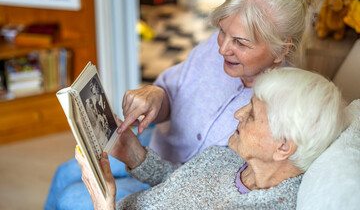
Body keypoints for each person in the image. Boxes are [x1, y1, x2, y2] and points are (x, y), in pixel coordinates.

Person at [44, 0, 324, 209]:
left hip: (175, 186)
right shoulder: (211, 52)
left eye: (240, 42)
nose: (222, 48)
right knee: (62, 174)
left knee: (72, 197)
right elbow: (171, 92)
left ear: (281, 50)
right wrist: (156, 96)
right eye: (222, 31)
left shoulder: (285, 105)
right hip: (154, 149)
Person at [76, 67, 348, 209]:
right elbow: (187, 182)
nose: (239, 113)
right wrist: (135, 154)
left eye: (252, 113)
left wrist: (104, 202)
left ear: (284, 146)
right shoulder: (233, 159)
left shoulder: (267, 205)